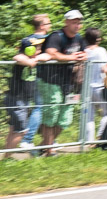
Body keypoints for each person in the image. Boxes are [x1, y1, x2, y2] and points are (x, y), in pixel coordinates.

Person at [36, 9, 88, 156]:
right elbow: (51, 53)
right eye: (74, 22)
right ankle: (49, 149)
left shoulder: (79, 38)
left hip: (70, 83)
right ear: (66, 22)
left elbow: (84, 53)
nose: (77, 25)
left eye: (79, 22)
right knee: (51, 114)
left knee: (65, 119)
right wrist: (71, 58)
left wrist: (83, 55)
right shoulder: (56, 36)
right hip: (50, 81)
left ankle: (43, 146)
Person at [5, 14, 51, 153]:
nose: (38, 49)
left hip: (24, 96)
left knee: (14, 128)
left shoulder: (34, 50)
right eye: (36, 48)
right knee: (21, 129)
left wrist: (36, 59)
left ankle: (7, 156)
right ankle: (20, 146)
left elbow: (48, 55)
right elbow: (17, 56)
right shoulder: (26, 53)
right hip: (17, 96)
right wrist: (30, 61)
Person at [83, 27, 107, 142]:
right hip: (99, 86)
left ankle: (89, 141)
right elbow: (104, 68)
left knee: (89, 116)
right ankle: (101, 136)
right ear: (98, 39)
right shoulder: (101, 50)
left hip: (86, 87)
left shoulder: (84, 51)